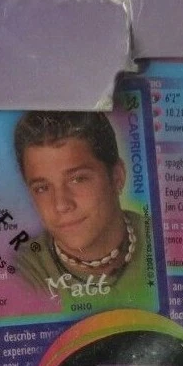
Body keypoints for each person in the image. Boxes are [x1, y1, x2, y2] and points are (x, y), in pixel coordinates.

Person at [13, 111, 148, 299]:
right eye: (42, 188)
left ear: (117, 177)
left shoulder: (161, 241)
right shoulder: (22, 271)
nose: (61, 205)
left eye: (77, 179)